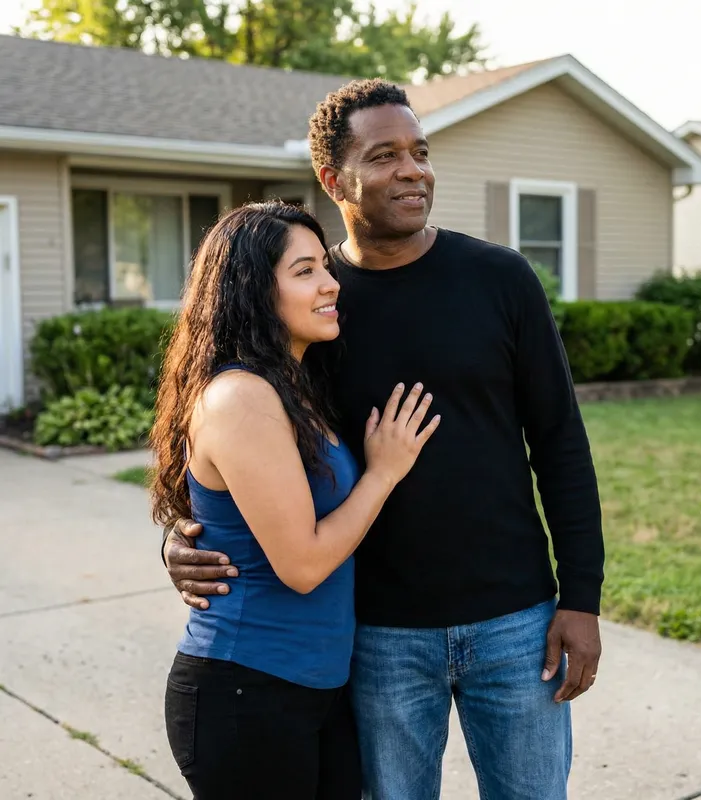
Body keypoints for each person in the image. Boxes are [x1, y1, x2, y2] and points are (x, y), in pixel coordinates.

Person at [163, 80, 605, 800]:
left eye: (420, 152)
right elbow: (239, 450)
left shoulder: (501, 280)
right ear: (334, 179)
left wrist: (581, 597)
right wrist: (184, 538)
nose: (413, 170)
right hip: (378, 636)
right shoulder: (311, 303)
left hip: (514, 622)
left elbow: (560, 443)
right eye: (386, 155)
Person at [150, 200, 440, 800]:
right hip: (246, 690)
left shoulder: (295, 386)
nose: (331, 284)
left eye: (325, 267)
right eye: (304, 271)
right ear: (252, 290)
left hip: (313, 688)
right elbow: (303, 566)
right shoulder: (242, 397)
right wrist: (383, 473)